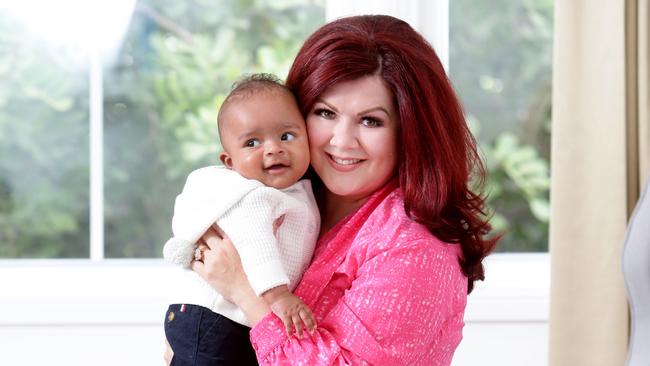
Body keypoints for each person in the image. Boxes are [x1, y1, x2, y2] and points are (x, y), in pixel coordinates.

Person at [182, 15, 498, 365]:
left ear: (411, 130)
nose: (342, 141)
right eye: (325, 112)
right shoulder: (289, 197)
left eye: (370, 120)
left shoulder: (415, 244)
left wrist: (246, 293)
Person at [162, 73, 320, 365]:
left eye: (287, 136)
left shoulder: (296, 191)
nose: (273, 148)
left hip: (236, 319)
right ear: (229, 162)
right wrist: (279, 297)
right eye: (252, 143)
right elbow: (256, 244)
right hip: (213, 319)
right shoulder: (253, 196)